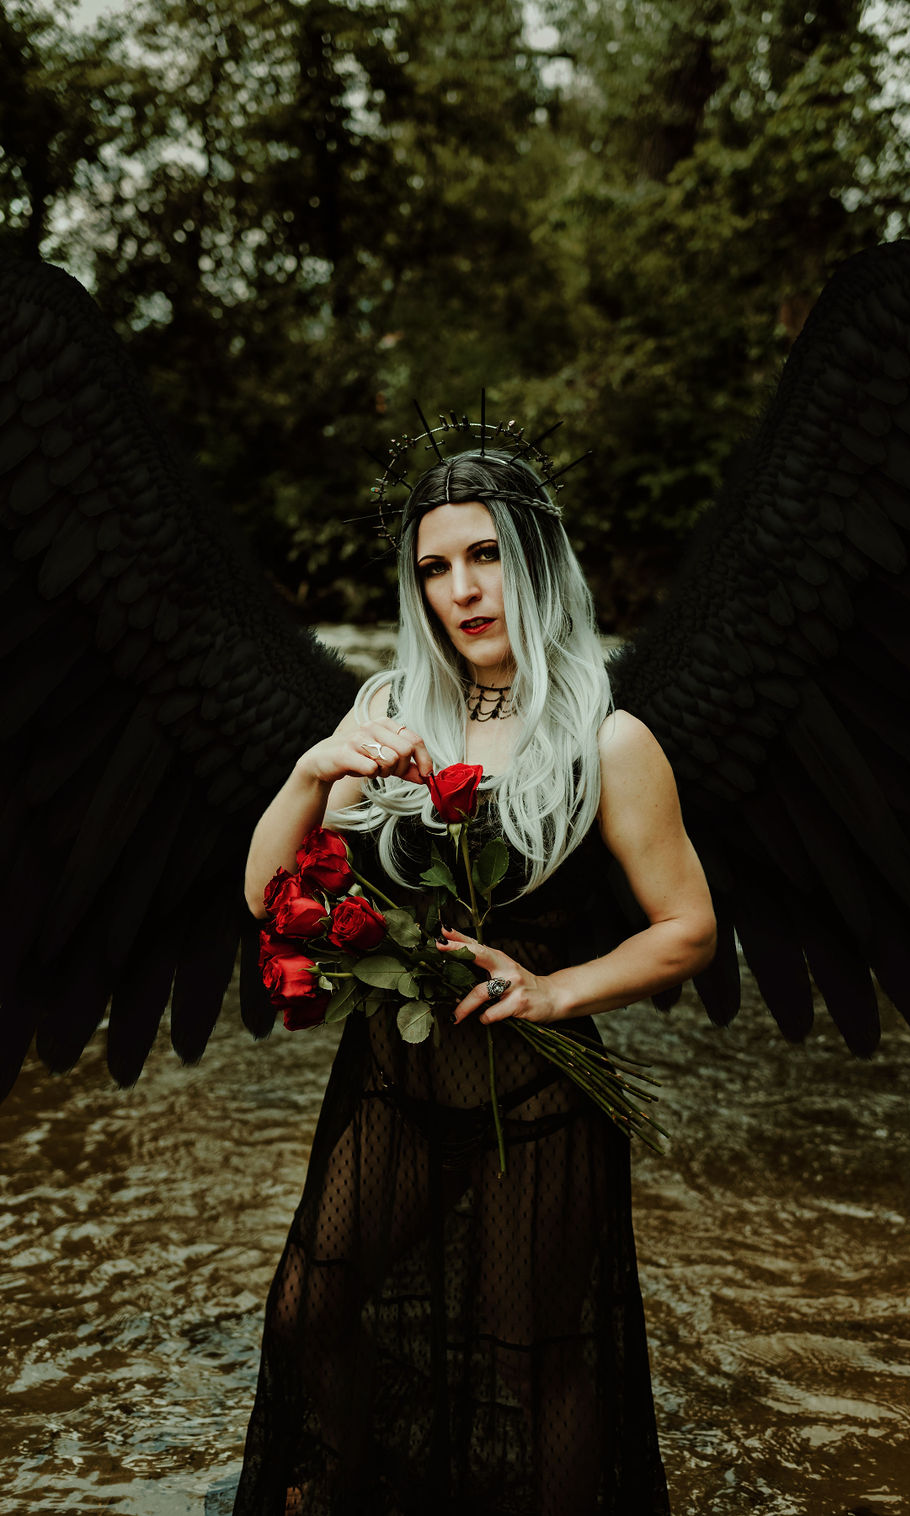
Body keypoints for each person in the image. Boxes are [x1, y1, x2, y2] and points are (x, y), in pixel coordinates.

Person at [234, 445, 717, 1515]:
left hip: (537, 1105)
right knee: (308, 1306)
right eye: (435, 567)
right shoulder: (391, 710)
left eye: (487, 556)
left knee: (530, 1357)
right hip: (393, 1086)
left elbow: (688, 929)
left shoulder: (608, 737)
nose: (461, 589)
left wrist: (552, 992)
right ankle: (359, 1480)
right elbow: (267, 892)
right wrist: (315, 770)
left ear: (537, 560)